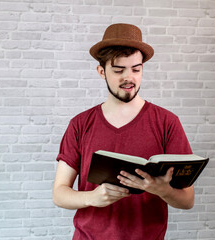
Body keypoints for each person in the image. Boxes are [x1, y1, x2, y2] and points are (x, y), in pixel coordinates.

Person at [52, 23, 194, 240]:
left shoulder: (167, 122)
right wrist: (92, 197)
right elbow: (59, 193)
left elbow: (188, 200)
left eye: (136, 69)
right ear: (102, 72)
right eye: (119, 70)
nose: (129, 78)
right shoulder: (80, 124)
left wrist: (162, 189)